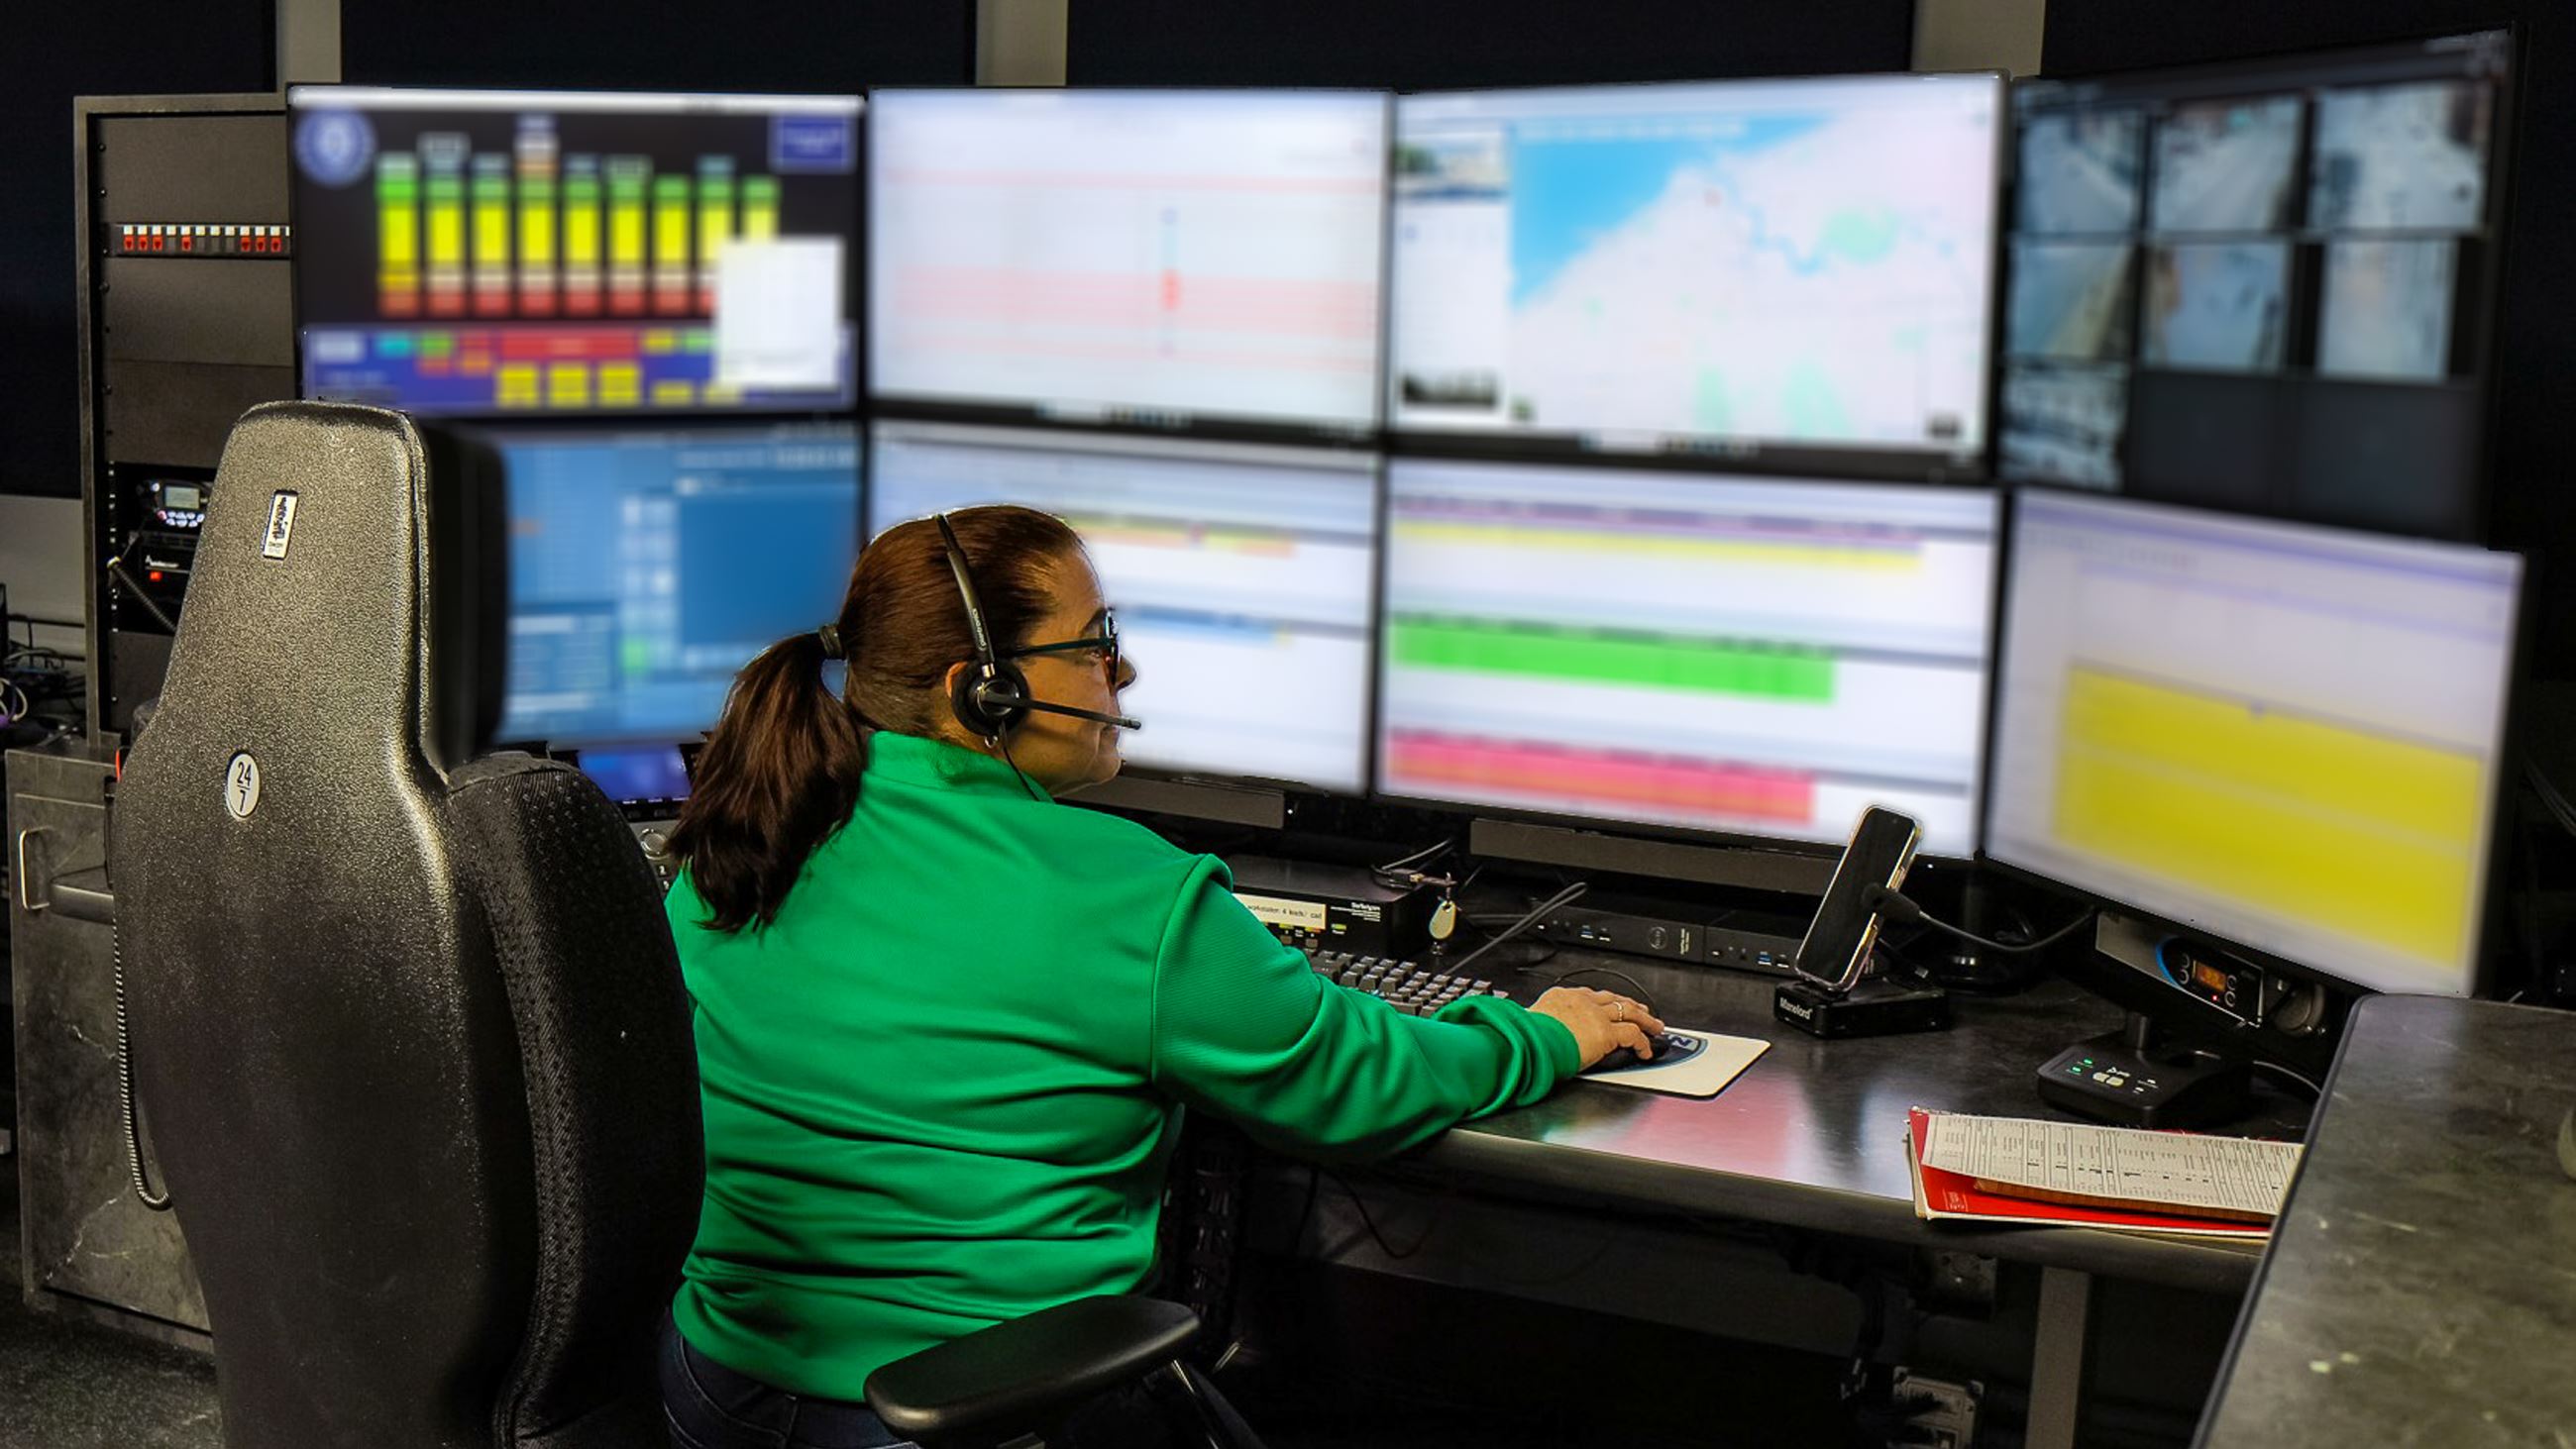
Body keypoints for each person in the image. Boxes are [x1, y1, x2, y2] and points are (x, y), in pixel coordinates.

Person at [656, 505, 1663, 1448]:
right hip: (964, 1412)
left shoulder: (741, 838)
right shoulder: (1125, 893)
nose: (1121, 671)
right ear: (985, 688)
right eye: (1093, 643)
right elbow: (1350, 1078)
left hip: (709, 1394)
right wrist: (1537, 1033)